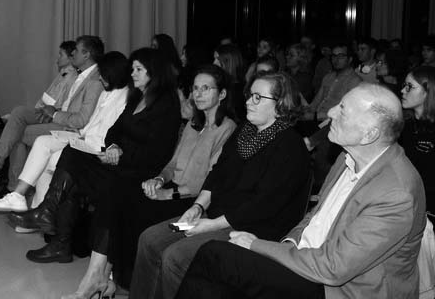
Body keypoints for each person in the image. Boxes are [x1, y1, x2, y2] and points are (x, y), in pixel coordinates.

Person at [176, 83, 426, 299]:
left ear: (369, 134)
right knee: (220, 271)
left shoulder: (396, 193)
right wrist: (288, 244)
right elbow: (315, 217)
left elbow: (333, 268)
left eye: (342, 110)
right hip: (307, 261)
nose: (330, 112)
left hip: (340, 290)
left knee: (215, 256)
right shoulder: (347, 158)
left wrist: (257, 245)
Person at [61, 65, 238, 299]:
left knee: (127, 206)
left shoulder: (228, 129)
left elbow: (209, 182)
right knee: (115, 192)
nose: (198, 94)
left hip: (193, 203)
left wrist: (168, 194)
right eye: (195, 88)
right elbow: (172, 164)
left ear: (222, 94)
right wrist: (158, 179)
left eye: (206, 88)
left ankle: (104, 279)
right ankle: (99, 276)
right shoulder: (193, 125)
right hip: (171, 190)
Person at [130, 72, 310, 299]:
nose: (248, 102)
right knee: (150, 239)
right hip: (214, 216)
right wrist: (197, 207)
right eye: (249, 95)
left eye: (257, 97)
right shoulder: (245, 131)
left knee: (176, 256)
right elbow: (218, 173)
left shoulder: (290, 147)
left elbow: (263, 205)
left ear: (280, 105)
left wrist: (212, 225)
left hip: (249, 229)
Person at [7, 48, 182, 267]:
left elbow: (157, 154)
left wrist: (120, 157)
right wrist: (114, 146)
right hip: (118, 163)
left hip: (138, 174)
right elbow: (114, 131)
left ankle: (56, 233)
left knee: (75, 174)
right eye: (133, 69)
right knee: (72, 156)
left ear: (154, 72)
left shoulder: (167, 106)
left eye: (138, 69)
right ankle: (50, 218)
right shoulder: (137, 98)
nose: (133, 74)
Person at [0, 51, 129, 213]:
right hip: (82, 137)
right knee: (42, 141)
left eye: (103, 75)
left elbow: (110, 132)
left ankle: (36, 210)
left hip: (95, 146)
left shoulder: (125, 98)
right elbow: (92, 123)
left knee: (52, 158)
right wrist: (78, 132)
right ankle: (22, 199)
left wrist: (83, 134)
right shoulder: (105, 93)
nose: (100, 78)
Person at [0, 35, 104, 185]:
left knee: (20, 132)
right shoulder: (82, 75)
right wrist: (53, 110)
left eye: (77, 50)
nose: (73, 53)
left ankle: (11, 185)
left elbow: (81, 120)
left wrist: (54, 113)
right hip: (59, 115)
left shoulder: (94, 81)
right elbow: (69, 105)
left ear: (86, 55)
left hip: (69, 128)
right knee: (19, 112)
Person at [400, 66, 435, 213]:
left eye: (410, 87)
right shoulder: (403, 125)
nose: (403, 90)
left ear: (428, 92)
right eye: (404, 85)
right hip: (402, 198)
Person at [306, 44, 361, 122]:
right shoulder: (328, 77)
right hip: (316, 119)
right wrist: (306, 111)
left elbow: (347, 113)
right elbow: (316, 101)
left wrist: (314, 116)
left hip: (333, 123)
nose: (336, 59)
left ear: (350, 59)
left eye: (341, 56)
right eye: (334, 56)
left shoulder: (355, 81)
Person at [213, 44, 245, 120]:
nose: (214, 63)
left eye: (218, 59)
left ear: (229, 62)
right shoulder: (221, 84)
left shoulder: (237, 90)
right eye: (214, 59)